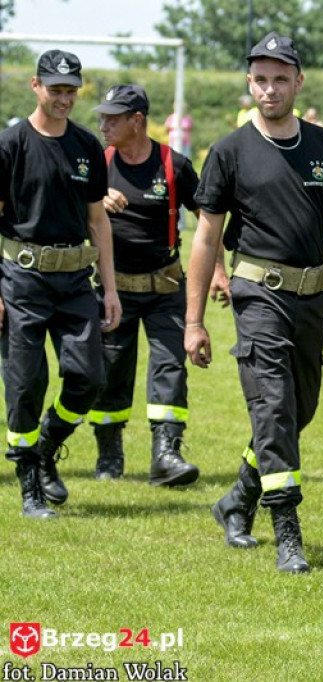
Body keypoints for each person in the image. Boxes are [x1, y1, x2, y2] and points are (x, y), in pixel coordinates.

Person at [186, 31, 323, 573]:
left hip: (314, 299)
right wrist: (194, 322)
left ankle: (236, 500)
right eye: (260, 79)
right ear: (249, 82)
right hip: (258, 297)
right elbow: (206, 239)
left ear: (298, 81)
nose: (270, 89)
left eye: (280, 79)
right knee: (274, 410)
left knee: (297, 412)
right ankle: (287, 533)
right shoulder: (228, 152)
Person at [0, 50, 122, 518]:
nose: (64, 98)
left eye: (71, 90)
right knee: (26, 384)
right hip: (22, 280)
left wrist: (109, 289)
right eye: (56, 89)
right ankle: (29, 479)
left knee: (88, 379)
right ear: (35, 86)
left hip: (75, 281)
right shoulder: (10, 145)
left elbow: (98, 221)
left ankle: (46, 446)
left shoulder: (88, 146)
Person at [91, 84, 230, 484]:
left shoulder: (175, 166)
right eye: (102, 117)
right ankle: (109, 454)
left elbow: (210, 220)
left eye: (112, 118)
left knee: (171, 368)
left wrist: (219, 269)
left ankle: (165, 455)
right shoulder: (97, 165)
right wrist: (95, 201)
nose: (103, 125)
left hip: (165, 288)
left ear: (137, 121)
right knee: (111, 369)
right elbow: (70, 214)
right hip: (112, 288)